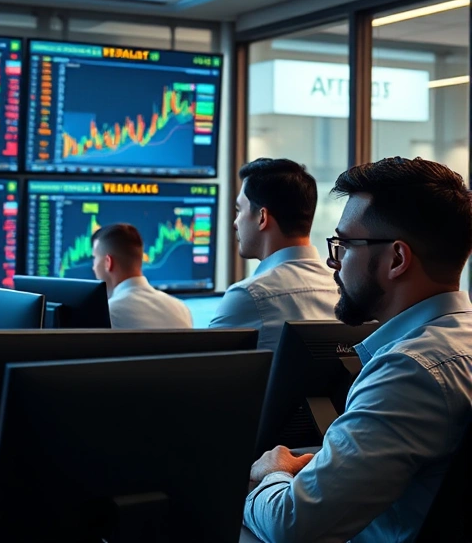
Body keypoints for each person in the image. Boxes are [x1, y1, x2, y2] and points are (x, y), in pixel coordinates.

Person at [244, 157, 472, 542]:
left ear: (397, 259)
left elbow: (291, 525)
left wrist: (272, 473)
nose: (334, 263)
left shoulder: (409, 371)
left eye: (345, 245)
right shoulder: (458, 343)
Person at [210, 158, 338, 351]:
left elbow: (202, 374)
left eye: (239, 210)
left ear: (262, 217)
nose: (235, 223)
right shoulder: (342, 286)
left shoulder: (249, 296)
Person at [91, 223, 192, 329]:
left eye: (95, 258)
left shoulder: (108, 314)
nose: (93, 267)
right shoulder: (182, 310)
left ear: (108, 262)